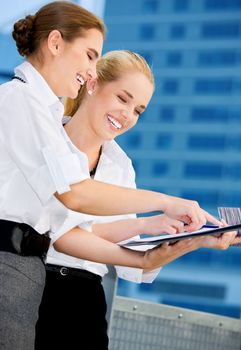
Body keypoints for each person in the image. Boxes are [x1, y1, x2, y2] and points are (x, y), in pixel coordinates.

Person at [0, 2, 233, 349]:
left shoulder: (117, 164)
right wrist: (165, 204)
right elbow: (72, 206)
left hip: (66, 293)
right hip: (25, 274)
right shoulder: (32, 112)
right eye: (123, 99)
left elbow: (79, 238)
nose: (127, 115)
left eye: (138, 110)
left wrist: (177, 238)